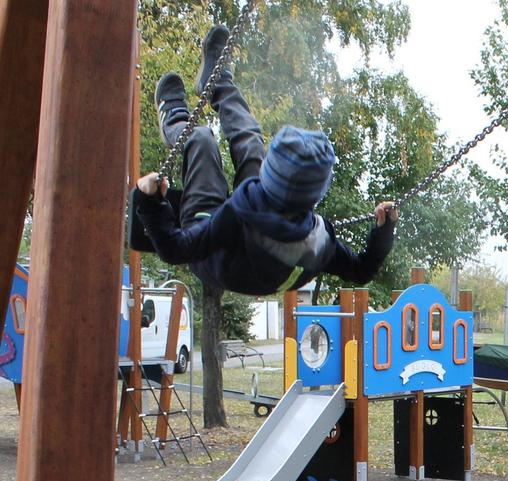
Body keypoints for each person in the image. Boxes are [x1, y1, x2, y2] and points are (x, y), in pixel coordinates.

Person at [134, 25, 397, 298]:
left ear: (268, 174)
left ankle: (174, 119)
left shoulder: (232, 220)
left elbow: (176, 249)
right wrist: (384, 229)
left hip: (217, 259)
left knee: (199, 139)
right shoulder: (320, 241)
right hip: (254, 246)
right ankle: (217, 81)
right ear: (315, 196)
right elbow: (362, 269)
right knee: (248, 140)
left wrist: (150, 203)